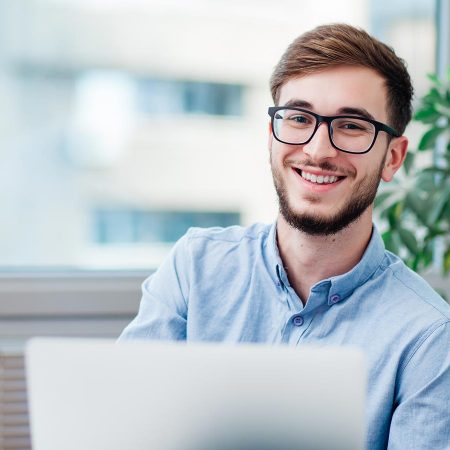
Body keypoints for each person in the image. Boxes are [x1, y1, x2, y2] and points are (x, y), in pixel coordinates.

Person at [119, 24, 450, 449]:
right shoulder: (194, 268)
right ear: (272, 134)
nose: (318, 149)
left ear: (393, 157)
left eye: (351, 126)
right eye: (298, 118)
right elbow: (125, 430)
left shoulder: (428, 337)